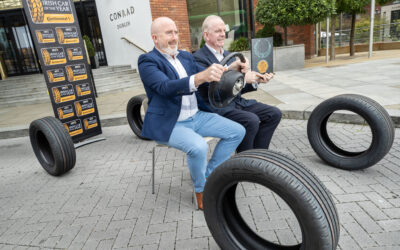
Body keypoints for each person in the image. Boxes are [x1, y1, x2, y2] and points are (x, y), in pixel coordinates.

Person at [138, 17, 245, 210]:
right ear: (155, 38)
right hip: (171, 123)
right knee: (198, 148)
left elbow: (207, 73)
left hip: (197, 116)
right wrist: (199, 78)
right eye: (169, 33)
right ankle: (202, 191)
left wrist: (230, 68)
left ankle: (210, 175)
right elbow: (164, 87)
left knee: (237, 131)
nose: (174, 37)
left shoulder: (185, 57)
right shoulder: (147, 61)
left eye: (176, 32)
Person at [193, 15, 282, 153]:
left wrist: (255, 81)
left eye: (224, 30)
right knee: (251, 120)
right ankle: (244, 163)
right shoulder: (198, 58)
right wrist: (243, 78)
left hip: (236, 103)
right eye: (217, 31)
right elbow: (211, 90)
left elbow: (236, 88)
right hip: (216, 107)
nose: (223, 34)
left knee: (274, 113)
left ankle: (258, 157)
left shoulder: (229, 55)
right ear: (206, 35)